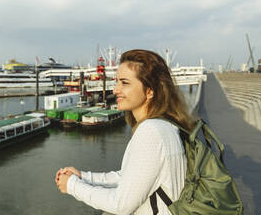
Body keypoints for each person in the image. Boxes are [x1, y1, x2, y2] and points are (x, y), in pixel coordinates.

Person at [55, 49, 195, 215]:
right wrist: (84, 177)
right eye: (117, 82)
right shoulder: (165, 125)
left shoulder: (151, 132)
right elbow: (130, 176)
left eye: (125, 83)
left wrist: (72, 185)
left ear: (150, 91)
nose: (115, 90)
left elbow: (120, 204)